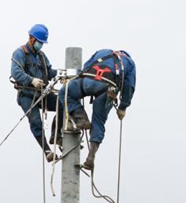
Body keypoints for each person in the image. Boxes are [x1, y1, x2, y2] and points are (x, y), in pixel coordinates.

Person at [57, 49, 136, 170]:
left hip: (87, 81)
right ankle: (91, 157)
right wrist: (122, 107)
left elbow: (86, 67)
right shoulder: (129, 63)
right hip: (108, 89)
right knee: (98, 121)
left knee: (64, 93)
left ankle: (81, 118)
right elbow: (129, 86)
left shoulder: (102, 52)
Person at [10, 24, 58, 162]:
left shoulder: (41, 56)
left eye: (42, 43)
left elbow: (48, 72)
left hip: (42, 93)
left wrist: (61, 74)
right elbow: (16, 72)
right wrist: (31, 80)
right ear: (31, 38)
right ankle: (47, 150)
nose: (40, 45)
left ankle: (57, 135)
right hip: (26, 94)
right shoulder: (20, 53)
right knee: (36, 121)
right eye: (39, 42)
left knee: (62, 104)